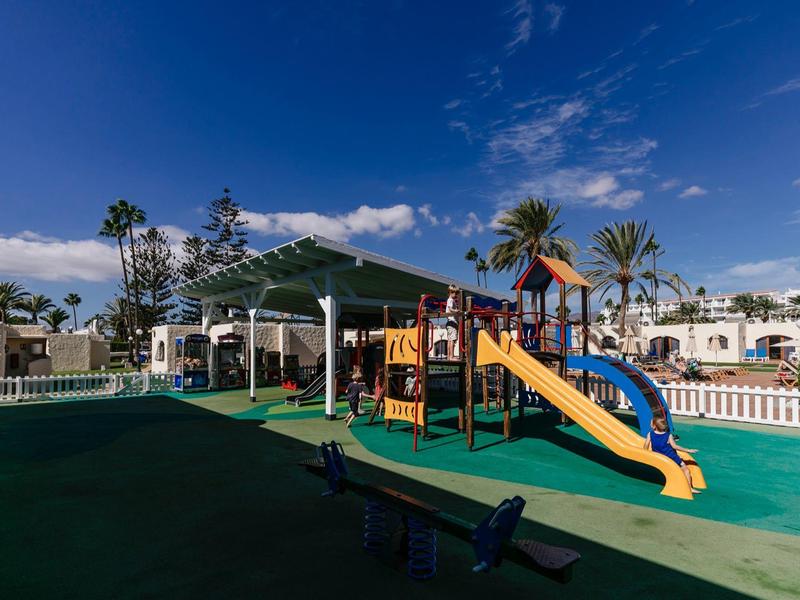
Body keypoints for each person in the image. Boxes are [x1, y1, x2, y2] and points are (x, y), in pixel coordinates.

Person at [644, 416, 701, 494]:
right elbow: (675, 446)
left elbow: (646, 444)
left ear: (654, 426)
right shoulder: (668, 435)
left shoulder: (650, 434)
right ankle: (689, 488)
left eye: (651, 423)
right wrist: (688, 450)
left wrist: (646, 453)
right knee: (685, 469)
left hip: (659, 457)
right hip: (671, 457)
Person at [445, 284, 460, 360]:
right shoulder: (450, 300)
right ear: (451, 292)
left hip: (449, 322)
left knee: (450, 340)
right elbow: (450, 309)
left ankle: (448, 356)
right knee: (452, 340)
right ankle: (451, 356)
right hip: (452, 323)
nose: (456, 295)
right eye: (455, 293)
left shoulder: (449, 300)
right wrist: (456, 311)